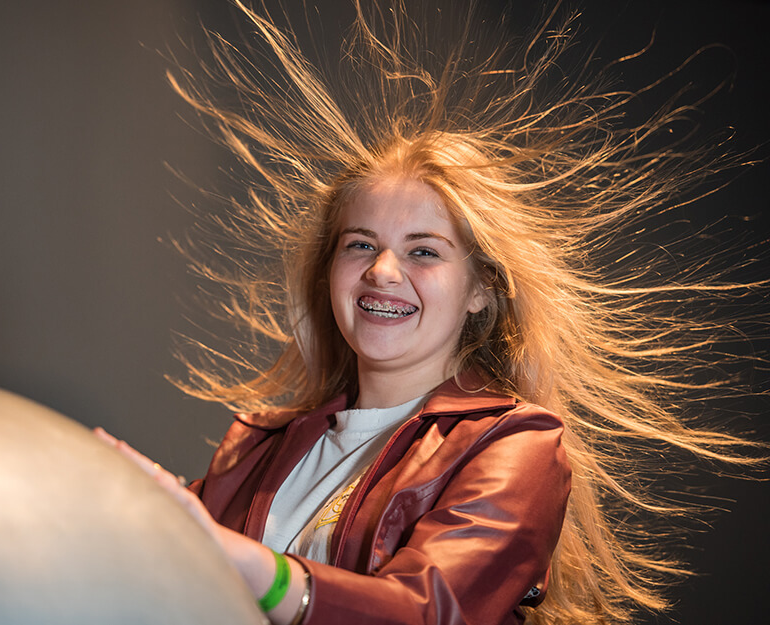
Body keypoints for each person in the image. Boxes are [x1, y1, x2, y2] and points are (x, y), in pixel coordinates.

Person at [96, 2, 764, 624]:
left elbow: (428, 608)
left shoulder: (517, 445)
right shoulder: (256, 443)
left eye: (423, 250)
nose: (383, 271)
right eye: (361, 244)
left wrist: (256, 569)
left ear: (481, 288)